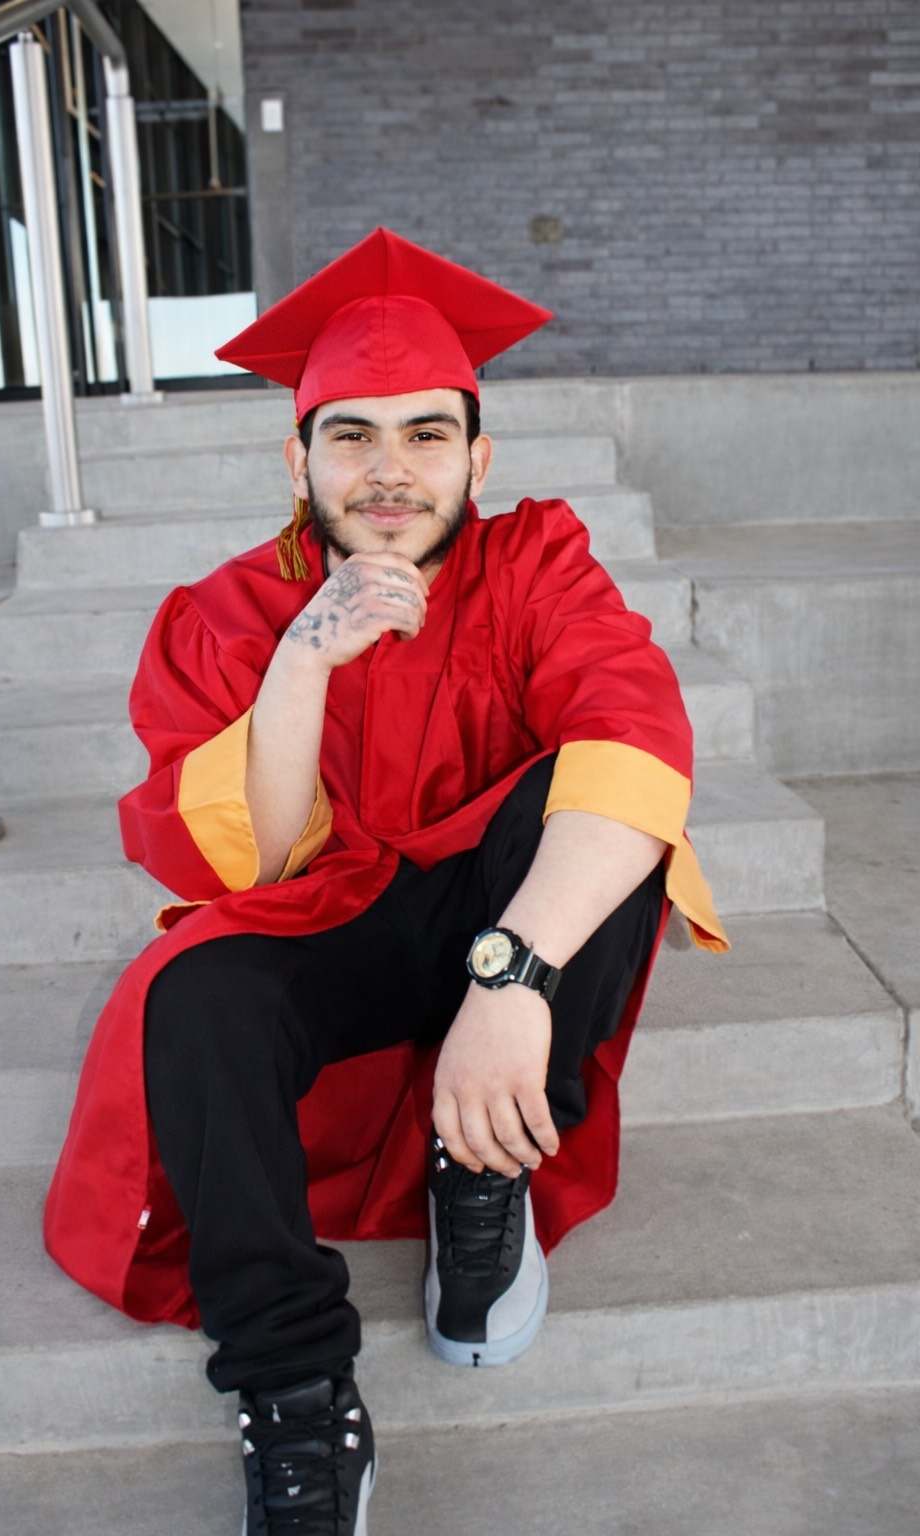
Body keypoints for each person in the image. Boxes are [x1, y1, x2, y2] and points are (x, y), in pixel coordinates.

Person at [45, 227, 728, 1535]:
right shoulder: (222, 614)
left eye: (426, 435)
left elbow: (638, 742)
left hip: (491, 917)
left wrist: (511, 981)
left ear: (479, 458)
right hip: (335, 924)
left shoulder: (534, 565)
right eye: (350, 435)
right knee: (192, 990)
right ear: (296, 459)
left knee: (600, 802)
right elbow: (251, 865)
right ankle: (296, 1387)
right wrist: (302, 658)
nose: (390, 470)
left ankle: (484, 1173)